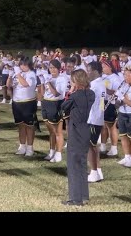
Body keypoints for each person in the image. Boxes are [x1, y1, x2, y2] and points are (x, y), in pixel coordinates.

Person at [60, 70, 95, 206]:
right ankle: (84, 195)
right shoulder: (91, 94)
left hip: (76, 131)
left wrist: (71, 91)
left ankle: (76, 198)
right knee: (82, 163)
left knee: (74, 164)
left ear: (76, 81)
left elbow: (63, 106)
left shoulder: (75, 96)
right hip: (87, 130)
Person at [7, 57, 38, 156]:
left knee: (29, 126)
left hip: (28, 102)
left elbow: (25, 84)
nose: (22, 66)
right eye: (21, 64)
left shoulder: (31, 74)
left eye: (24, 65)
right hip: (17, 102)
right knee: (20, 125)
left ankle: (30, 147)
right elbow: (8, 85)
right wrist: (10, 76)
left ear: (29, 65)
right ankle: (22, 146)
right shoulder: (18, 74)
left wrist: (18, 74)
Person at [39, 59, 68, 163]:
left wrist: (48, 82)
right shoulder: (49, 77)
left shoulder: (62, 79)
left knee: (58, 131)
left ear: (59, 69)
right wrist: (42, 82)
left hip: (56, 104)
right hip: (46, 102)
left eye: (54, 68)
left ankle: (59, 153)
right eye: (50, 68)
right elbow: (43, 93)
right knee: (51, 131)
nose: (52, 70)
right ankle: (51, 151)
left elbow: (56, 93)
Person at [86, 62, 106, 183]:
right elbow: (102, 102)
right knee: (94, 146)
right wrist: (101, 112)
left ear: (95, 71)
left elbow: (88, 102)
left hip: (92, 119)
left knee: (90, 146)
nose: (87, 73)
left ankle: (93, 172)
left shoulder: (93, 85)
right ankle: (98, 171)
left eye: (88, 70)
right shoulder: (102, 83)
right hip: (97, 118)